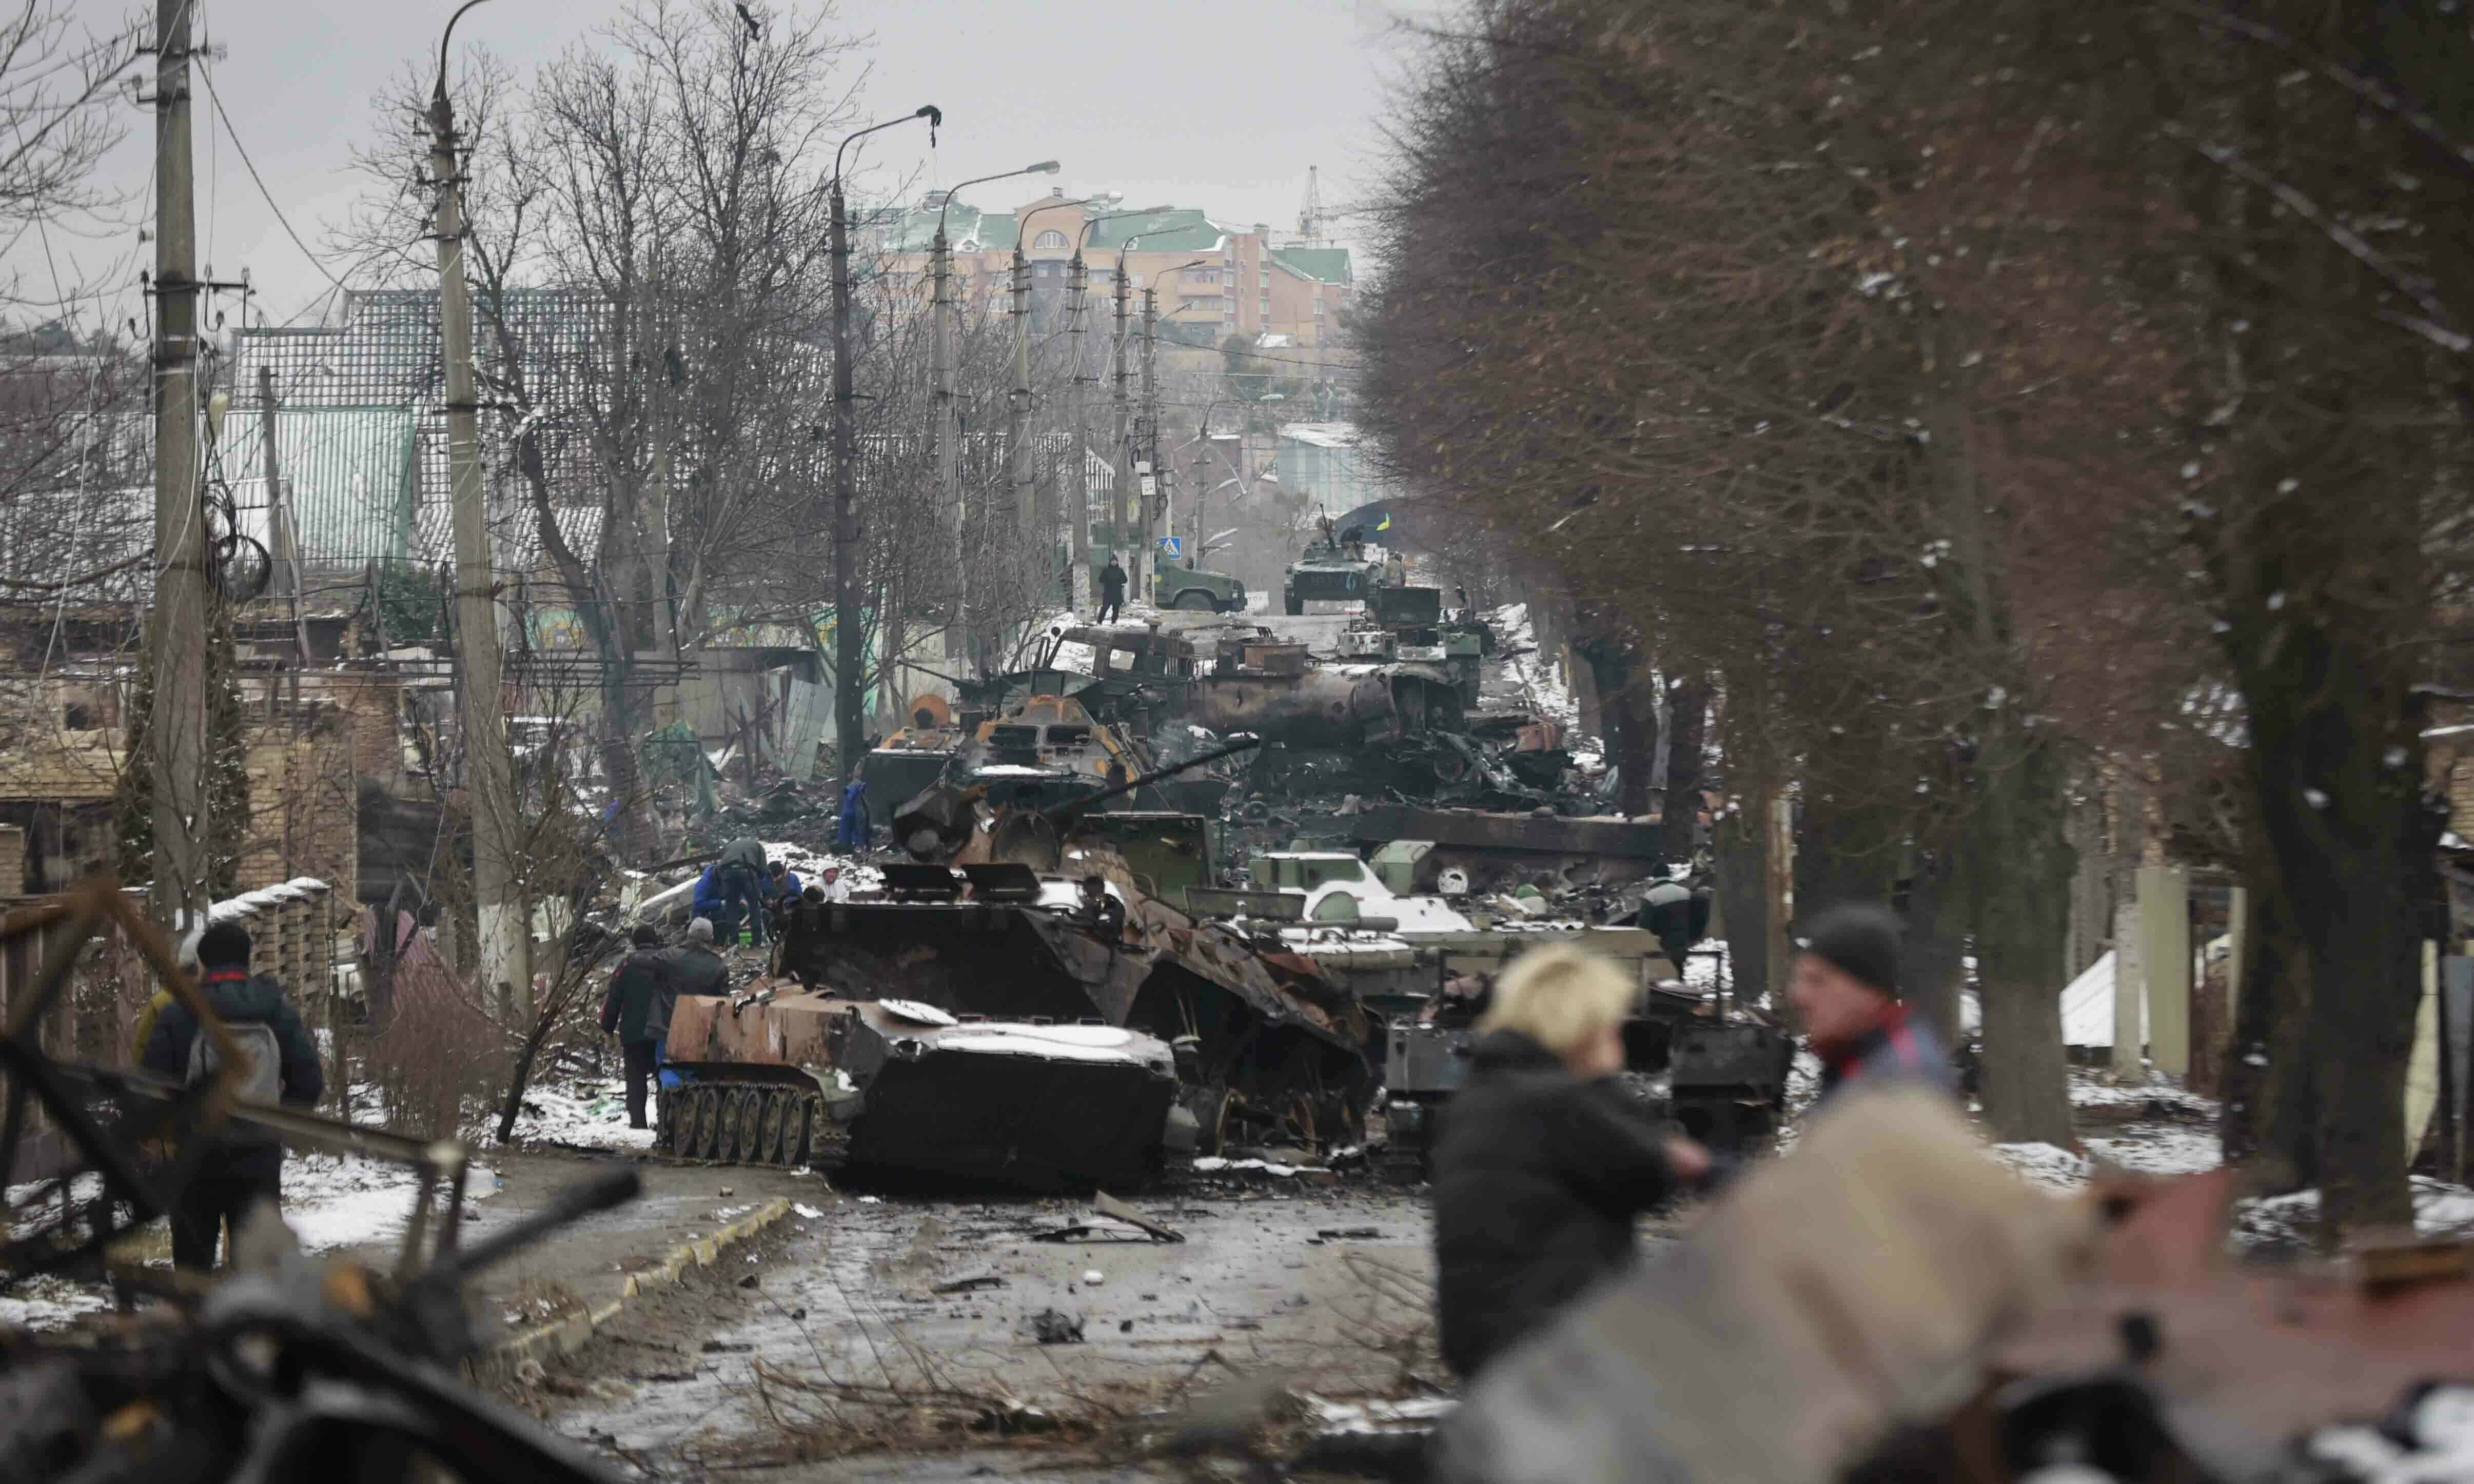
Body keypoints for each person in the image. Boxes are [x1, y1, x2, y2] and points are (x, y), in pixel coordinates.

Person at [1430, 942, 1710, 1378]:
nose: (1619, 1035)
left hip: (1492, 1341)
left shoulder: (1485, 1094)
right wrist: (1602, 1081)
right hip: (1553, 1344)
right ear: (1582, 1024)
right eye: (1611, 1024)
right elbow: (1645, 1174)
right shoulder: (1557, 1101)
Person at [141, 921, 325, 1271]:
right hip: (258, 1156)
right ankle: (250, 1325)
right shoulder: (275, 1009)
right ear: (248, 959)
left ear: (203, 963)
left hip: (196, 1157)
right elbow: (309, 1081)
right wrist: (276, 1124)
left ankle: (193, 1322)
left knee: (192, 1270)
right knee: (256, 1273)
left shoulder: (180, 1012)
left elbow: (151, 1086)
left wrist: (177, 1131)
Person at [1789, 902, 1955, 1103]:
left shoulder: (1902, 1080)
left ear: (1867, 989)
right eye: (1800, 980)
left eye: (1817, 981)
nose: (1798, 995)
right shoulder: (1857, 1061)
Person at [599, 924, 675, 1131]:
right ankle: (665, 1124)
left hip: (633, 1033)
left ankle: (638, 1123)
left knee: (635, 1079)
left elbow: (613, 1000)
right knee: (664, 1077)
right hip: (662, 1032)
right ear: (656, 940)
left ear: (634, 943)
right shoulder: (667, 963)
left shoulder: (625, 966)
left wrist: (608, 1028)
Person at [662, 917, 731, 1022]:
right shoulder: (719, 965)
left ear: (689, 934)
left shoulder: (670, 955)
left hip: (671, 1023)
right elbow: (723, 1002)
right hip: (702, 1025)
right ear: (711, 938)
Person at [716, 836, 770, 946]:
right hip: (747, 871)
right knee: (754, 906)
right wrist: (757, 881)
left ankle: (734, 942)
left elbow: (720, 865)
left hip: (727, 873)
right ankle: (757, 942)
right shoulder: (758, 846)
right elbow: (763, 870)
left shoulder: (730, 846)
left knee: (731, 907)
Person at [1077, 874, 1125, 942]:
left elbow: (1102, 928)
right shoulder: (1105, 902)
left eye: (1089, 895)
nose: (1087, 898)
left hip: (1105, 945)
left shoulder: (1110, 905)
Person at [837, 776, 870, 854]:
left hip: (851, 813)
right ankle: (854, 848)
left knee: (851, 832)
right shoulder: (855, 787)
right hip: (853, 813)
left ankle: (852, 848)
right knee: (854, 832)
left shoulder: (854, 787)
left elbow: (849, 795)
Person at [1097, 555, 1127, 624]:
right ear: (1110, 562)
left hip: (1117, 593)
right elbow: (1100, 579)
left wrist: (1120, 580)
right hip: (1108, 593)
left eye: (1115, 561)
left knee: (1116, 609)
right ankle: (1099, 621)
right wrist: (1107, 580)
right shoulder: (1106, 570)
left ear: (1117, 562)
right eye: (1113, 561)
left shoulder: (1120, 571)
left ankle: (1114, 622)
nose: (1114, 563)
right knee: (1105, 608)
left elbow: (1125, 580)